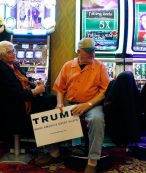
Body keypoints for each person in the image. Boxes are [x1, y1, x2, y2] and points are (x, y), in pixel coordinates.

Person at [38, 38, 109, 173]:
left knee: (97, 120)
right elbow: (59, 88)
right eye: (88, 51)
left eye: (93, 51)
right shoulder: (68, 65)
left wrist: (87, 104)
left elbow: (104, 92)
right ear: (79, 52)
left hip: (92, 105)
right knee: (50, 116)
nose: (92, 54)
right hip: (71, 104)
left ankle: (93, 161)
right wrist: (59, 103)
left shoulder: (100, 66)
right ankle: (54, 153)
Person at [0, 41, 56, 139]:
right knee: (48, 102)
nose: (14, 54)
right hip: (13, 106)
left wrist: (34, 83)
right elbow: (14, 95)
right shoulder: (2, 70)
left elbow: (25, 78)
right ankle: (43, 140)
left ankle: (49, 142)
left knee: (51, 97)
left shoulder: (14, 64)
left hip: (24, 97)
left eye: (13, 51)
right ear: (2, 56)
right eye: (9, 52)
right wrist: (35, 91)